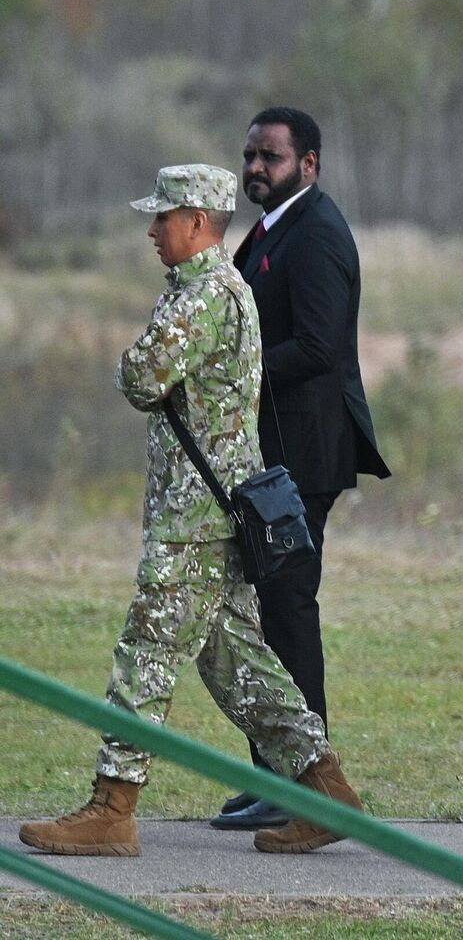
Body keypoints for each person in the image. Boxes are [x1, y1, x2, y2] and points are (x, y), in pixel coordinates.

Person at [19, 166, 365, 859]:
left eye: (163, 218)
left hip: (194, 519)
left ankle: (111, 809)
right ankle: (326, 792)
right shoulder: (222, 290)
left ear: (200, 222)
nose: (152, 231)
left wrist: (135, 358)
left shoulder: (202, 295)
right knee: (238, 661)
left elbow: (140, 377)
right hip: (215, 509)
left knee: (145, 652)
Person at [215, 107, 390, 831]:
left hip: (305, 456)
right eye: (251, 155)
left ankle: (304, 785)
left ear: (309, 164)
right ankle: (277, 775)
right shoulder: (269, 230)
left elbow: (318, 346)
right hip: (273, 454)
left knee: (288, 612)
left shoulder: (316, 232)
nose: (256, 167)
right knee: (265, 613)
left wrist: (232, 373)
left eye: (272, 157)